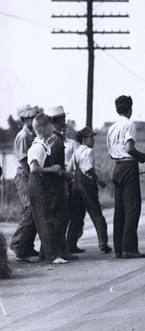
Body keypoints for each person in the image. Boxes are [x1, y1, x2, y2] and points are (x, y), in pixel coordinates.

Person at [106, 95, 145, 259]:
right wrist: (143, 156)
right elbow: (130, 148)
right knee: (133, 208)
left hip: (117, 167)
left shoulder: (112, 128)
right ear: (130, 109)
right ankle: (130, 248)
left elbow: (112, 152)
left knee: (120, 210)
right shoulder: (129, 125)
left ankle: (119, 248)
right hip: (128, 166)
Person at [27, 113, 68, 264]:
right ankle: (53, 256)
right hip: (38, 186)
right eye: (50, 126)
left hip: (43, 186)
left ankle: (48, 253)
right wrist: (52, 169)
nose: (52, 128)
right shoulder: (38, 147)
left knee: (47, 219)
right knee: (45, 221)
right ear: (43, 129)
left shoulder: (44, 144)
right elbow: (34, 169)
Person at [66, 127, 112, 254]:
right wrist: (99, 180)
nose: (94, 140)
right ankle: (103, 243)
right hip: (87, 186)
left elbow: (69, 169)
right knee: (96, 214)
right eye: (91, 137)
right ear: (84, 139)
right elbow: (89, 169)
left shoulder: (76, 152)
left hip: (76, 186)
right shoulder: (89, 152)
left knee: (76, 216)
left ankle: (70, 244)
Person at [10, 105, 41, 262]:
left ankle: (26, 245)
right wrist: (31, 177)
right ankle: (17, 243)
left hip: (28, 175)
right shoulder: (23, 136)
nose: (34, 120)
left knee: (32, 211)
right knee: (30, 210)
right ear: (25, 120)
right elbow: (23, 160)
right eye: (32, 118)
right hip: (24, 175)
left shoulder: (32, 134)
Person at [45, 106, 76, 261]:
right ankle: (57, 251)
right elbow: (49, 162)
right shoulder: (55, 139)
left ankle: (59, 250)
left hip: (56, 182)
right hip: (55, 183)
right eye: (62, 119)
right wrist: (65, 174)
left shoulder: (54, 138)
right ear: (55, 122)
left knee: (60, 216)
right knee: (61, 216)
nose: (64, 122)